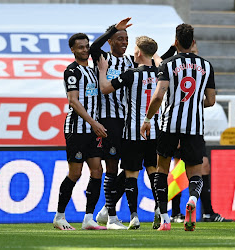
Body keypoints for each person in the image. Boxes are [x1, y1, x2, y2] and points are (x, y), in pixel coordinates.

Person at [140, 24, 216, 231]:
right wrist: (191, 104)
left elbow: (158, 95)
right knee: (195, 173)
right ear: (192, 42)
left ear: (175, 42)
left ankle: (164, 218)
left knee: (162, 169)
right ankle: (192, 199)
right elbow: (210, 101)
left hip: (169, 125)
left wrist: (147, 118)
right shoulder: (207, 66)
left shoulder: (168, 64)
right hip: (194, 127)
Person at [97, 36, 160, 230]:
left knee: (131, 174)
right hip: (153, 131)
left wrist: (102, 71)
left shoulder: (131, 74)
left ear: (139, 52)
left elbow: (105, 88)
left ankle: (134, 216)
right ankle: (161, 211)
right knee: (154, 172)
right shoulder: (160, 73)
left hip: (132, 131)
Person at [170, 40, 232, 223]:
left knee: (202, 166)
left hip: (195, 126)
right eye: (193, 51)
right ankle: (175, 213)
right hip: (178, 126)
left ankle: (207, 212)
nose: (194, 55)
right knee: (179, 170)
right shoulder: (175, 69)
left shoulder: (200, 70)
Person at [53, 33, 107, 231]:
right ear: (73, 50)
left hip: (93, 130)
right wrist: (94, 123)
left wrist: (111, 30)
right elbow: (73, 101)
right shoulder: (72, 71)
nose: (85, 50)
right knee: (75, 173)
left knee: (97, 171)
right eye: (81, 47)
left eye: (86, 47)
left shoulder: (93, 71)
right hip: (77, 129)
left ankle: (88, 219)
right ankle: (59, 217)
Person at [90, 17, 135, 230]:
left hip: (127, 120)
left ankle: (107, 208)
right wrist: (113, 29)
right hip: (109, 119)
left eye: (126, 38)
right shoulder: (103, 57)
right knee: (111, 166)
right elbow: (93, 46)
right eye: (119, 39)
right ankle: (112, 219)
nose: (124, 42)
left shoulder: (130, 63)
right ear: (111, 41)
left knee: (131, 166)